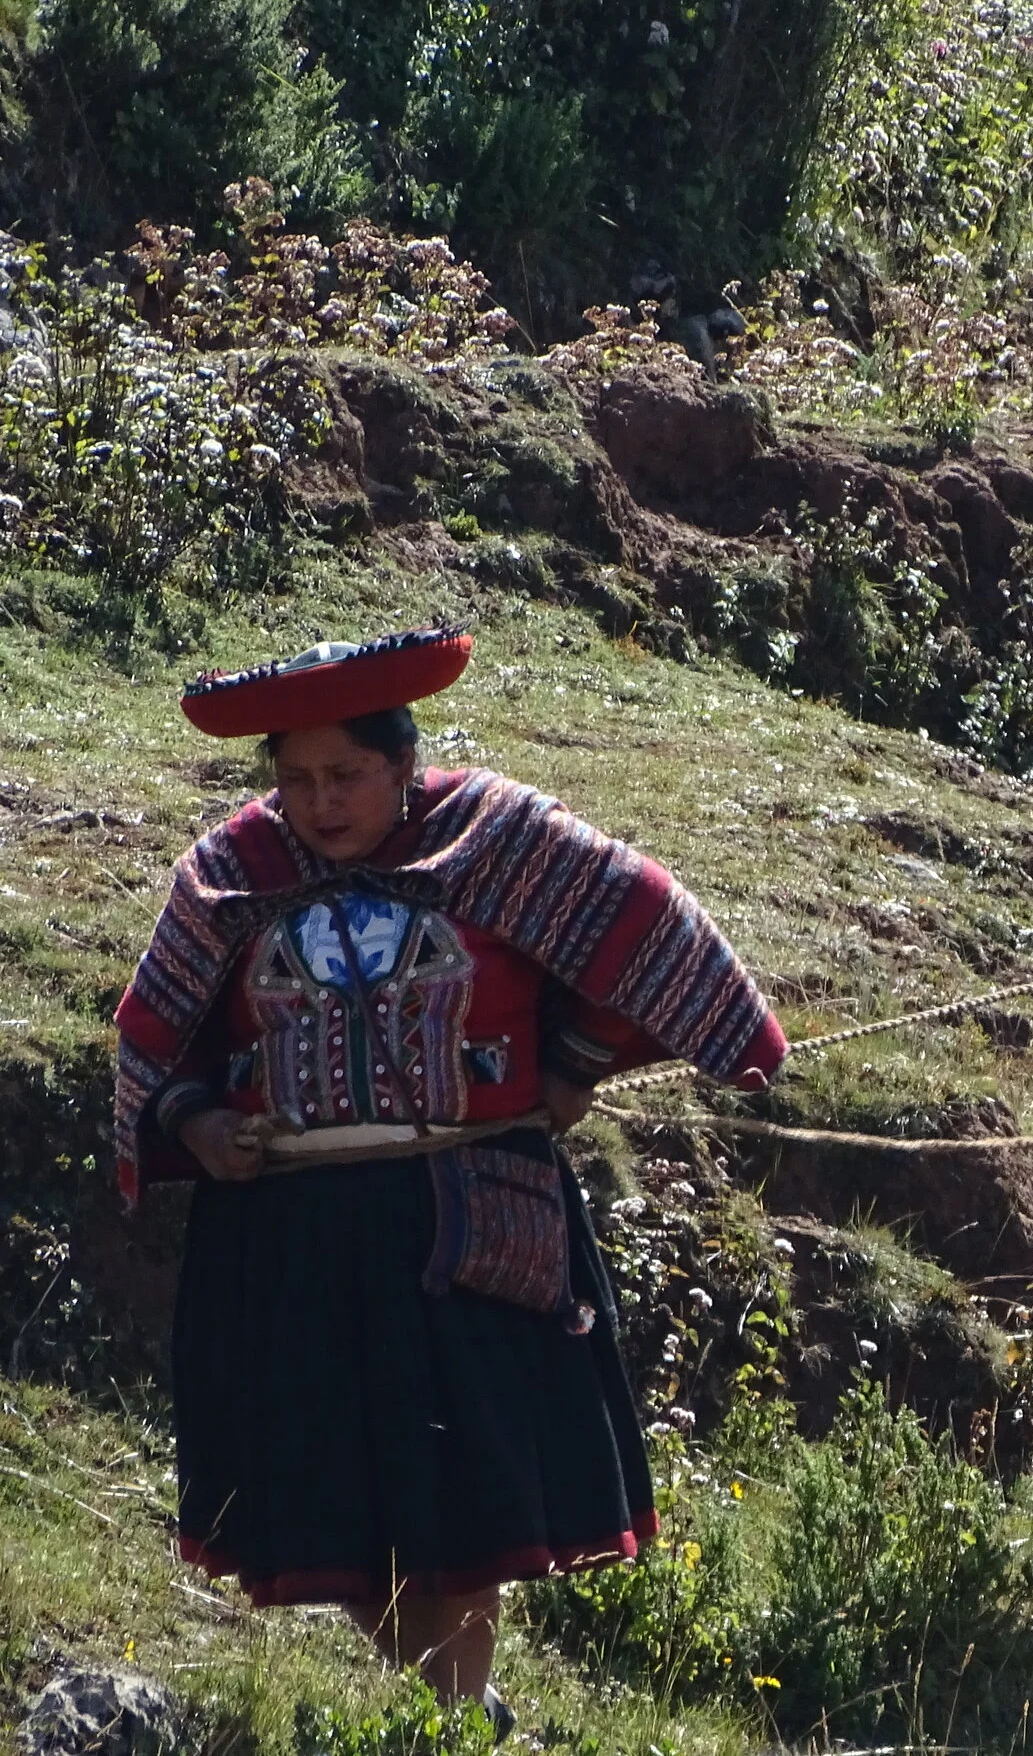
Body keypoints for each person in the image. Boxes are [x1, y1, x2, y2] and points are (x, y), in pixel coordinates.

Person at [113, 626, 787, 1735]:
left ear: (403, 760)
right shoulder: (234, 874)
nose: (322, 803)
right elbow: (156, 1039)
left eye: (346, 774)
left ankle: (461, 1720)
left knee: (467, 1503)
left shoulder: (496, 838)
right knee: (333, 1498)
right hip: (290, 1237)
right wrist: (197, 1123)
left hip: (465, 1226)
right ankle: (461, 1714)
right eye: (297, 780)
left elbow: (643, 928)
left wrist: (574, 1062)